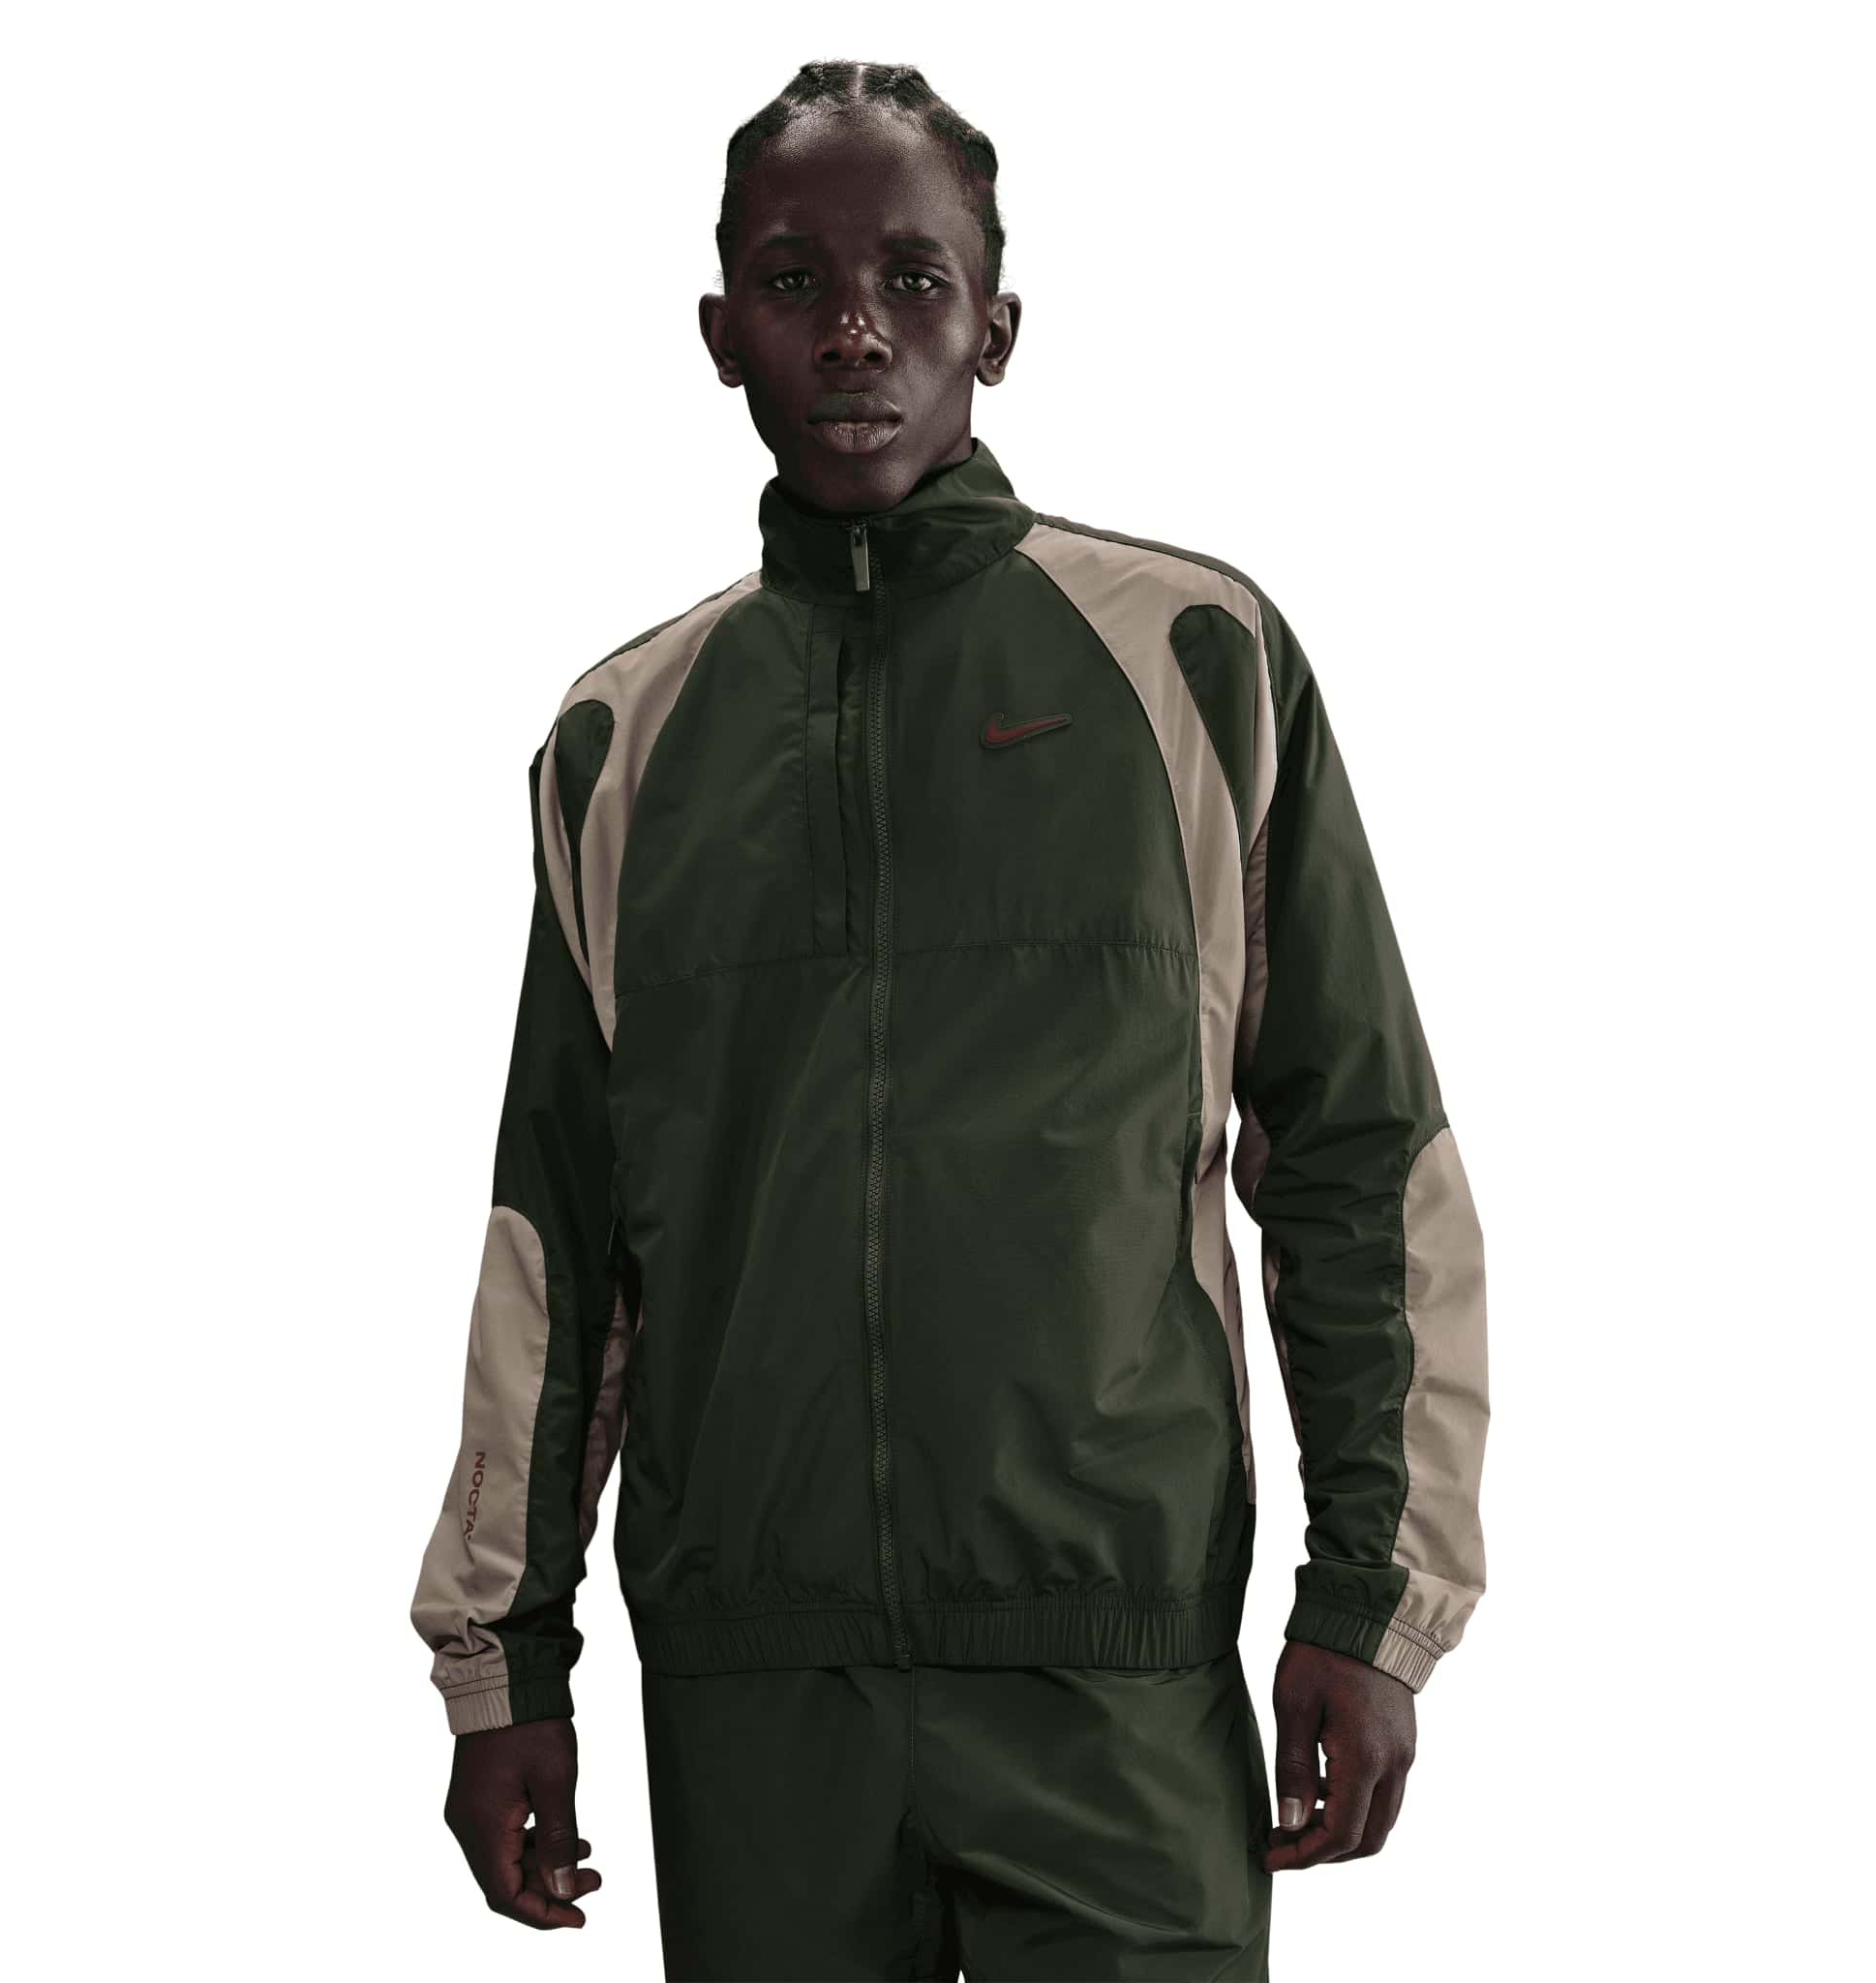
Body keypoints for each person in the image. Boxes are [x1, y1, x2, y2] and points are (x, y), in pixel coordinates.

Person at [410, 59, 1489, 1982]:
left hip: (1113, 1679)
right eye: (793, 279)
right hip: (758, 1701)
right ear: (717, 334)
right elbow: (555, 1239)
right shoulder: (621, 741)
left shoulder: (1192, 659)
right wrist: (505, 1661)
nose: (854, 329)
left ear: (997, 323)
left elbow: (1356, 1154)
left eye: (913, 279)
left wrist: (1371, 1603)